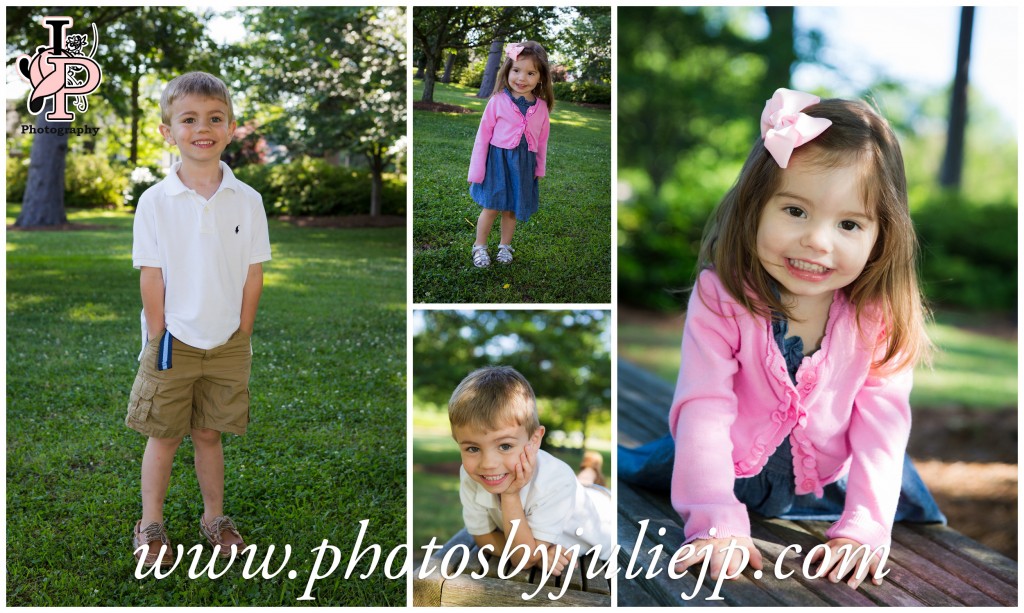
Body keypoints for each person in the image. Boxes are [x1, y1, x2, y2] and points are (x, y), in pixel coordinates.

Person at [619, 88, 945, 589]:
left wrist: (866, 526)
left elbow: (882, 429)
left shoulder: (877, 316)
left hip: (827, 480)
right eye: (795, 211)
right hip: (719, 467)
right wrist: (713, 516)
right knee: (634, 469)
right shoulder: (722, 296)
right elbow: (704, 409)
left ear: (882, 235)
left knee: (901, 496)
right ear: (755, 207)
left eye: (850, 223)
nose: (818, 240)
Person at [125, 71, 271, 568]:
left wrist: (243, 332)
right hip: (172, 341)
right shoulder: (155, 201)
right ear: (168, 131)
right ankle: (150, 525)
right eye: (188, 119)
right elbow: (151, 275)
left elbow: (254, 274)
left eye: (214, 118)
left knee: (209, 433)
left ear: (231, 128)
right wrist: (160, 334)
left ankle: (215, 518)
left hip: (228, 341)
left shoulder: (247, 200)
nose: (202, 128)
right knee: (163, 435)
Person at [449, 366, 612, 574]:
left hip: (603, 510)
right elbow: (483, 538)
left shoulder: (557, 480)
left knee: (584, 488)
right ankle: (590, 468)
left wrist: (510, 495)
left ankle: (591, 471)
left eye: (505, 446)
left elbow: (523, 558)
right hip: (572, 496)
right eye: (473, 448)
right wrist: (536, 554)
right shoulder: (471, 475)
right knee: (582, 485)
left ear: (534, 440)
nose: (488, 464)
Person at [467, 41, 553, 267]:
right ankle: (480, 246)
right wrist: (477, 169)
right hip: (497, 162)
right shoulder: (497, 101)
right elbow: (482, 136)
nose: (521, 78)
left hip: (524, 164)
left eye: (530, 73)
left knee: (512, 209)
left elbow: (542, 141)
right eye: (516, 70)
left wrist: (539, 168)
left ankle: (505, 246)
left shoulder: (541, 107)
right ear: (507, 71)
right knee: (492, 206)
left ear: (540, 77)